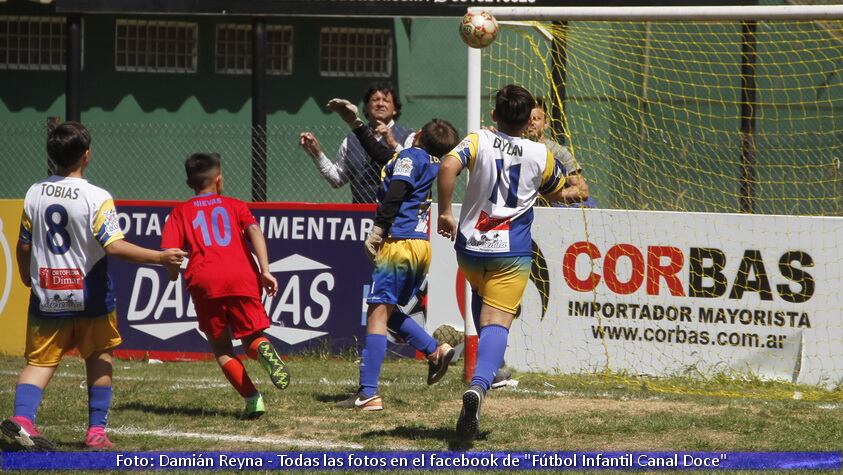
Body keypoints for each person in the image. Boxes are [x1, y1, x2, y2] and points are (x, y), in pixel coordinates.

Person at [1, 122, 187, 450]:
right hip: (91, 294)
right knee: (100, 356)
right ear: (86, 156)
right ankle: (96, 432)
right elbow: (113, 245)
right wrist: (160, 257)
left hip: (48, 294)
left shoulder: (34, 192)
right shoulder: (96, 196)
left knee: (39, 362)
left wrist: (25, 274)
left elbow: (24, 244)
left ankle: (22, 419)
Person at [437, 85, 568, 440]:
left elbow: (448, 165)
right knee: (497, 322)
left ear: (494, 114)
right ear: (529, 121)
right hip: (510, 252)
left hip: (470, 249)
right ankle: (479, 387)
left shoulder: (478, 139)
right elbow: (557, 192)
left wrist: (446, 211)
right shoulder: (542, 154)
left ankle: (490, 372)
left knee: (484, 307)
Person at [326, 98, 459, 411]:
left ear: (420, 138)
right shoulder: (428, 161)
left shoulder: (411, 156)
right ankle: (434, 349)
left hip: (399, 242)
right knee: (387, 312)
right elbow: (382, 156)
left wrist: (377, 230)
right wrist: (356, 125)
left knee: (376, 312)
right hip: (420, 245)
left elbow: (397, 191)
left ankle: (368, 392)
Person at [160, 153, 290, 420]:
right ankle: (263, 349)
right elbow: (254, 231)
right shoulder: (235, 205)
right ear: (219, 180)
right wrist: (265, 270)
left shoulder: (180, 212)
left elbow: (171, 252)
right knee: (252, 337)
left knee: (221, 348)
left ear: (189, 183)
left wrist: (173, 274)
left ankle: (253, 400)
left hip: (205, 281)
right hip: (241, 276)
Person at [299, 82, 414, 204]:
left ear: (395, 109)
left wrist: (393, 143)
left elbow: (414, 170)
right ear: (366, 107)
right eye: (375, 100)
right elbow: (337, 179)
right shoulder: (351, 139)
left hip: (394, 216)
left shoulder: (408, 136)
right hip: (359, 216)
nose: (380, 104)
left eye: (386, 100)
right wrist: (316, 154)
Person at [526, 100, 595, 208]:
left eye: (537, 119)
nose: (532, 122)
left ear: (546, 123)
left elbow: (582, 191)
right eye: (528, 119)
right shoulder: (512, 148)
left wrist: (549, 195)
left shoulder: (559, 152)